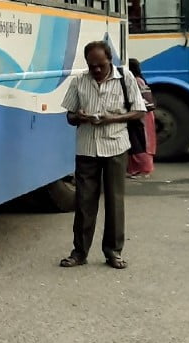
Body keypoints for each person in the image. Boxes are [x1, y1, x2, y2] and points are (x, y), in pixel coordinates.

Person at [59, 40, 146, 270]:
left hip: (116, 147)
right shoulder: (79, 81)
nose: (96, 70)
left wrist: (112, 118)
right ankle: (79, 252)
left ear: (110, 61)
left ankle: (113, 252)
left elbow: (139, 111)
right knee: (84, 202)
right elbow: (69, 117)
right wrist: (80, 116)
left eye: (101, 65)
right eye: (92, 66)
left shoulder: (125, 78)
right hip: (87, 149)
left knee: (114, 201)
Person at [126, 58, 157, 178]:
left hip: (142, 115)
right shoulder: (141, 79)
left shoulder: (135, 81)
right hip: (146, 114)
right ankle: (139, 169)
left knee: (140, 141)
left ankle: (143, 169)